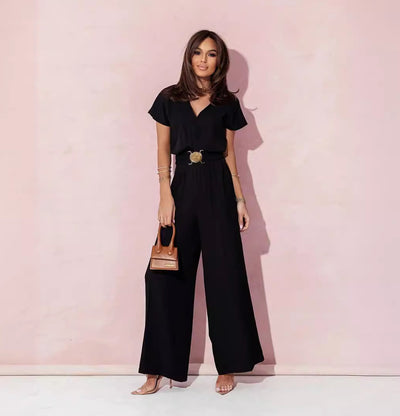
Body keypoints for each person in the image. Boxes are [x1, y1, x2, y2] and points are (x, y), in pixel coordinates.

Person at [131, 29, 264, 396]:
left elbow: (230, 155)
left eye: (212, 54)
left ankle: (229, 365)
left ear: (220, 62)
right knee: (163, 275)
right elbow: (162, 150)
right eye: (198, 53)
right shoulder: (168, 99)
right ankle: (158, 369)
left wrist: (240, 200)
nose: (204, 60)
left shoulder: (226, 103)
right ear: (189, 57)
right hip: (183, 186)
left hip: (219, 188)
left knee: (225, 276)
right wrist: (165, 195)